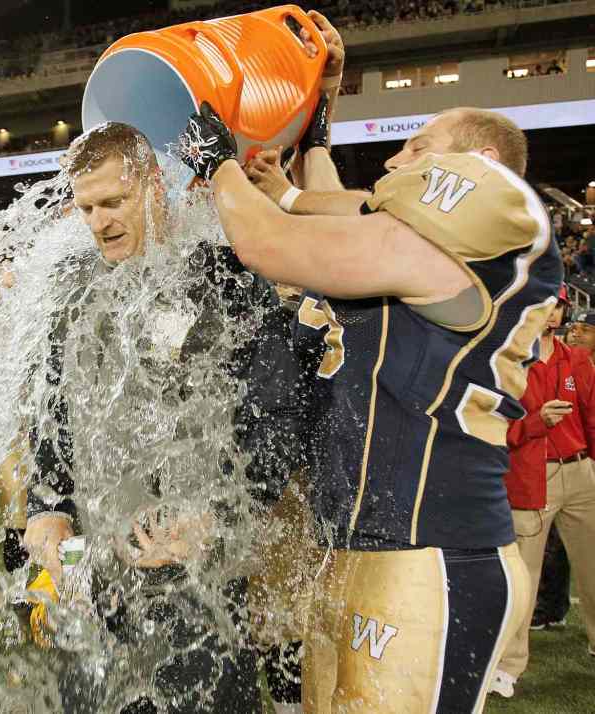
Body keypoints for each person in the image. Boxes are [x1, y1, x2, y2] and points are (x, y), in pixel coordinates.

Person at [180, 34, 562, 712]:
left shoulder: (500, 208)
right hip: (361, 543)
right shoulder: (428, 250)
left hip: (432, 550)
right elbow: (337, 212)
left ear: (482, 163)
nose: (394, 159)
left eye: (418, 147)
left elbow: (270, 242)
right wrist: (315, 118)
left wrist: (220, 166)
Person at [23, 122, 304, 713]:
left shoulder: (224, 278)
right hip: (96, 573)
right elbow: (51, 413)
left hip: (195, 576)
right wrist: (45, 507)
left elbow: (278, 414)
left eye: (114, 202)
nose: (100, 221)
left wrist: (221, 512)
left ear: (154, 186)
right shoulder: (74, 293)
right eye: (88, 208)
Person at [490, 285, 595, 697]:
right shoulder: (507, 362)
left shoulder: (578, 360)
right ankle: (508, 667)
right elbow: (495, 428)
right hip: (531, 476)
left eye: (558, 306)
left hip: (579, 471)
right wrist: (536, 422)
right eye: (545, 305)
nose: (553, 314)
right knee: (524, 578)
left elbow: (592, 417)